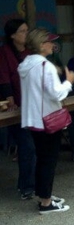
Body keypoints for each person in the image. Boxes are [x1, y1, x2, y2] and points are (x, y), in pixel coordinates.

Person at [18, 29, 74, 214]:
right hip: (48, 120)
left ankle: (45, 195)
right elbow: (56, 93)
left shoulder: (26, 65)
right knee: (48, 160)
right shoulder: (46, 66)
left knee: (42, 159)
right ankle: (46, 203)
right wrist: (69, 81)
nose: (53, 45)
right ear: (41, 45)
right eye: (50, 42)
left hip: (33, 119)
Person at [0, 19, 36, 199]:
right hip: (18, 106)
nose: (25, 34)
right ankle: (27, 187)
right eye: (22, 31)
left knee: (33, 146)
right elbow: (4, 77)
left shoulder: (30, 52)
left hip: (34, 105)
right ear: (13, 35)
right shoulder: (5, 52)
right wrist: (10, 99)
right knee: (27, 146)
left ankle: (28, 183)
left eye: (27, 30)